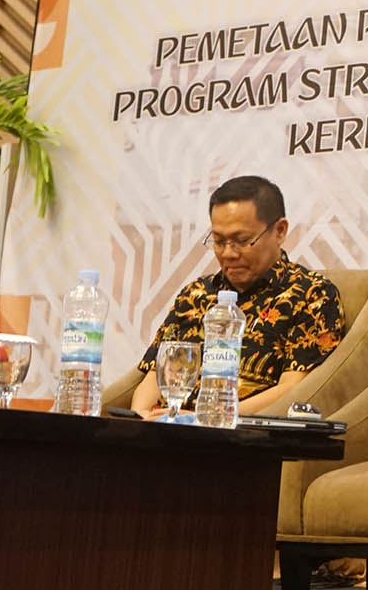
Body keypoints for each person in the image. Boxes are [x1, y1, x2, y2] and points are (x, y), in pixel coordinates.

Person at [131, 175, 343, 417]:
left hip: (240, 432)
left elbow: (294, 389)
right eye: (219, 241)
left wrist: (207, 418)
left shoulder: (311, 295)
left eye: (242, 241)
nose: (228, 254)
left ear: (280, 231)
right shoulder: (195, 294)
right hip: (168, 427)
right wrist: (141, 416)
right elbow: (155, 374)